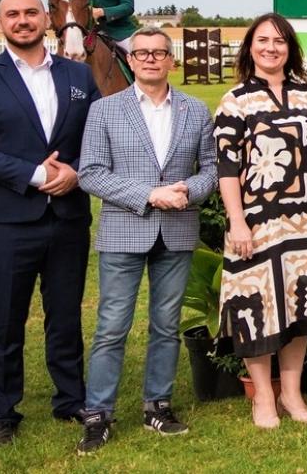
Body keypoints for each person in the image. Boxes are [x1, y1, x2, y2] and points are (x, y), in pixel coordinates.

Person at [0, 0, 99, 446]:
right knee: (6, 318)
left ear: (47, 18)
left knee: (65, 314)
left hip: (68, 215)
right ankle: (3, 409)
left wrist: (76, 171)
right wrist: (38, 175)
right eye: (12, 14)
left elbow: (96, 136)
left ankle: (70, 398)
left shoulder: (79, 75)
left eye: (31, 12)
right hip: (8, 219)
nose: (23, 20)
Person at [73, 27, 216, 454]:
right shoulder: (104, 110)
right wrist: (150, 195)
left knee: (165, 325)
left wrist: (188, 190)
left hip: (176, 229)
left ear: (171, 60)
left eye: (159, 53)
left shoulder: (195, 109)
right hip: (123, 230)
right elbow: (91, 173)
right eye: (142, 53)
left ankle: (158, 405)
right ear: (130, 61)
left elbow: (209, 168)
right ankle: (98, 414)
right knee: (112, 326)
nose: (151, 59)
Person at [213, 13, 307, 428]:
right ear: (250, 46)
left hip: (304, 222)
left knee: (301, 302)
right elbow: (227, 166)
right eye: (263, 40)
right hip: (256, 222)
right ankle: (263, 398)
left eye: (280, 40)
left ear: (291, 48)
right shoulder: (236, 100)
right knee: (257, 305)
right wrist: (236, 221)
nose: (272, 47)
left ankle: (292, 393)